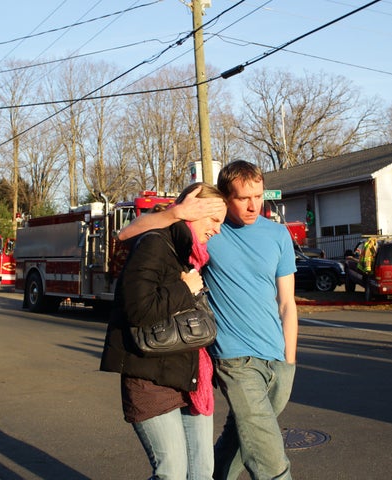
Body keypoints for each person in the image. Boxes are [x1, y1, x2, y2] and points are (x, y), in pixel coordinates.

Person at [118, 161, 299, 480]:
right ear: (226, 199)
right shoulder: (207, 229)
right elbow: (128, 234)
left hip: (273, 357)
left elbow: (287, 302)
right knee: (268, 453)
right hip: (233, 358)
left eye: (258, 196)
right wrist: (176, 212)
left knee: (236, 442)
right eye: (244, 198)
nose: (253, 205)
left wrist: (290, 358)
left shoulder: (277, 234)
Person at [100, 182, 227, 480]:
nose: (218, 230)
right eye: (214, 220)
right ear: (193, 212)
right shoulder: (156, 243)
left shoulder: (189, 254)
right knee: (172, 473)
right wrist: (185, 288)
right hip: (150, 378)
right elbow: (138, 310)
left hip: (188, 376)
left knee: (201, 474)